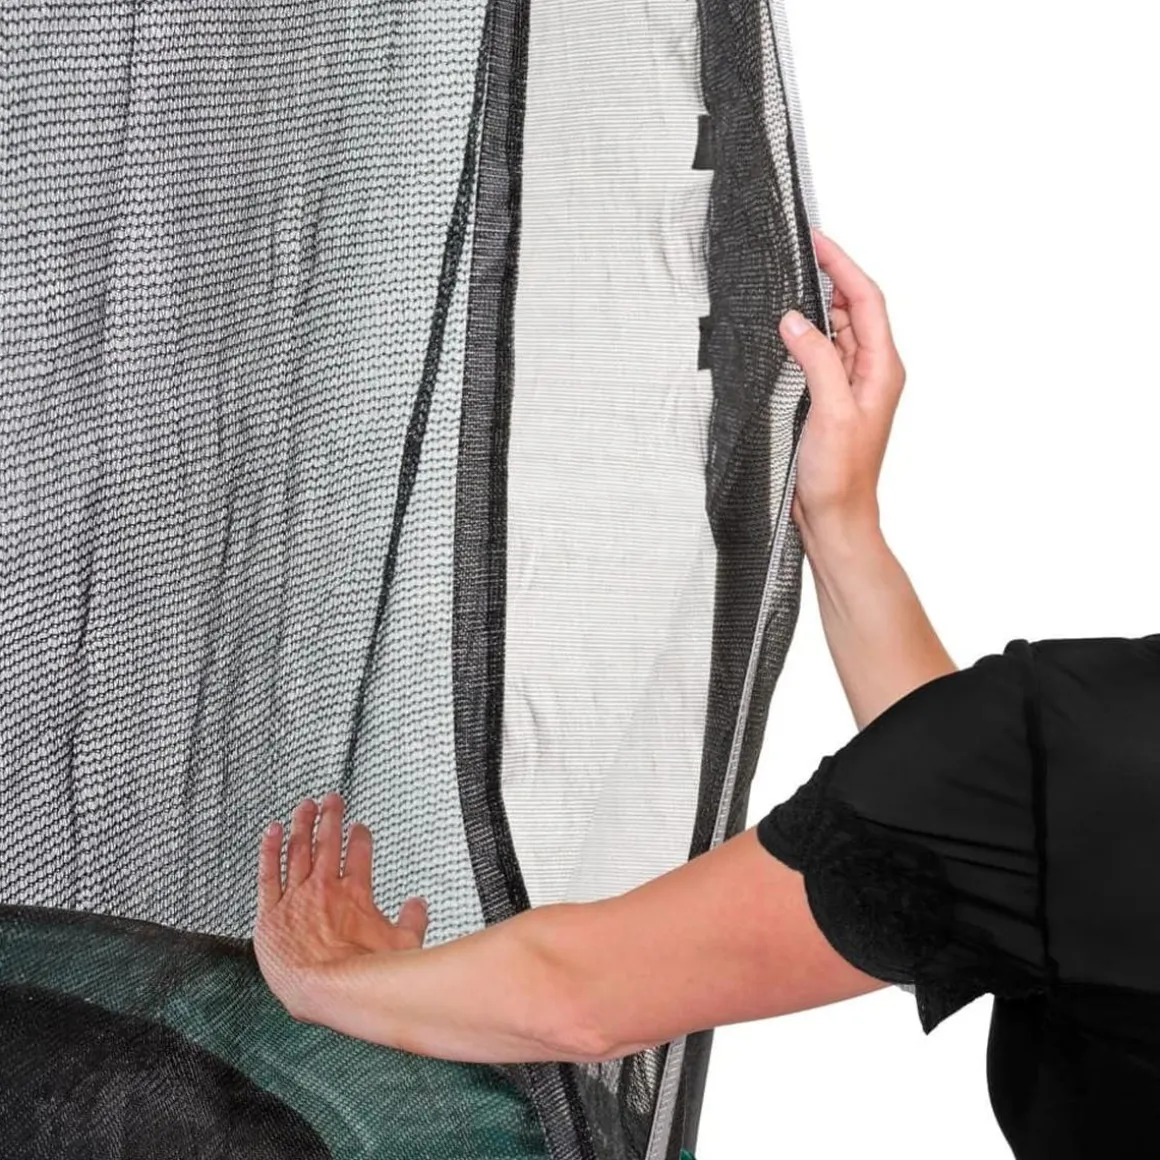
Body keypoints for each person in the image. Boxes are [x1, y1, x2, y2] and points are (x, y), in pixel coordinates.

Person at [253, 232, 1160, 1160]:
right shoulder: (1075, 772)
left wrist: (318, 978)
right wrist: (839, 521)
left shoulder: (1076, 757)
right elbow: (999, 840)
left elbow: (584, 1002)